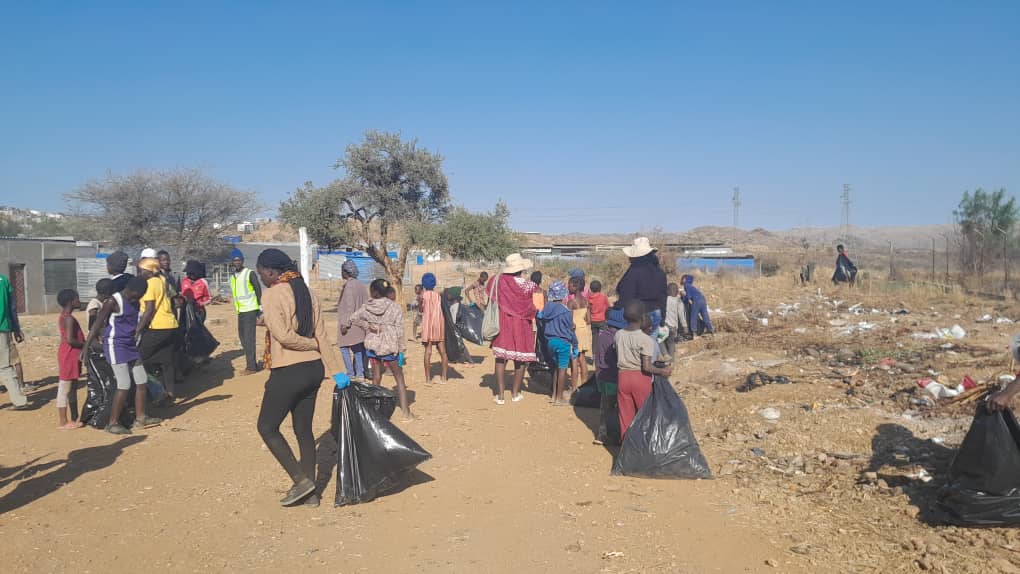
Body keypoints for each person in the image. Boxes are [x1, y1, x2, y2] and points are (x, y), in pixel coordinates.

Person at [255, 248, 338, 507]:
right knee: (303, 430)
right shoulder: (308, 293)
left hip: (289, 369)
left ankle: (301, 480)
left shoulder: (272, 294)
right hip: (314, 371)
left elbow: (284, 337)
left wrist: (310, 344)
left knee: (267, 427)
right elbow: (323, 336)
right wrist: (338, 372)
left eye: (261, 274)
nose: (261, 278)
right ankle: (311, 495)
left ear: (270, 272)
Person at [83, 277, 162, 434]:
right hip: (115, 345)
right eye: (139, 295)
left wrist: (137, 331)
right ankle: (112, 423)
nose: (139, 298)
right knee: (124, 384)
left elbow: (144, 315)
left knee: (141, 380)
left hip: (130, 345)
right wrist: (86, 348)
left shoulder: (134, 300)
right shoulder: (113, 301)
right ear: (133, 291)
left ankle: (141, 417)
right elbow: (97, 324)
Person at [348, 279, 411, 419]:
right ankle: (406, 412)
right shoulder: (395, 307)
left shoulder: (366, 307)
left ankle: (374, 412)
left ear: (373, 292)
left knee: (376, 377)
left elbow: (353, 318)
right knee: (399, 377)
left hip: (372, 347)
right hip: (389, 347)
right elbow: (400, 330)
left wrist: (368, 326)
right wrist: (401, 348)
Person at [615, 301, 672, 439]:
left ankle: (626, 453)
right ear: (642, 318)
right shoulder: (645, 339)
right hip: (640, 378)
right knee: (645, 416)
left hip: (623, 377)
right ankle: (645, 451)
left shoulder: (618, 334)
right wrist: (662, 371)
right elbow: (646, 366)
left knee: (625, 418)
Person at [487, 253, 538, 404]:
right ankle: (515, 393)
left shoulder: (498, 281)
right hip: (522, 326)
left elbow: (490, 293)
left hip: (503, 323)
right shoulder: (530, 286)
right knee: (520, 360)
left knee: (501, 358)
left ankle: (501, 395)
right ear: (521, 269)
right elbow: (536, 306)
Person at [136, 257, 181, 401]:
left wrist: (137, 330)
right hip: (170, 324)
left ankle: (157, 392)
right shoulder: (163, 279)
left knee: (138, 359)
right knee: (167, 362)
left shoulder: (150, 283)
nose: (139, 273)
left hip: (157, 326)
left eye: (141, 270)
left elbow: (149, 309)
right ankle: (171, 393)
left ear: (149, 271)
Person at [615, 237, 667, 331]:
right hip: (656, 314)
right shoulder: (660, 272)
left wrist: (615, 309)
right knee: (651, 344)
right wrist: (662, 319)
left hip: (638, 317)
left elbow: (625, 296)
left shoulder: (633, 272)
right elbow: (663, 298)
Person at [538, 281, 576, 406]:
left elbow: (540, 317)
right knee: (562, 369)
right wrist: (575, 344)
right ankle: (559, 398)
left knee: (555, 368)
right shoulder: (565, 311)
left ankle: (554, 395)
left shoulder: (547, 308)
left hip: (550, 342)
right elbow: (570, 329)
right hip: (563, 342)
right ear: (563, 295)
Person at [594, 307, 626, 445]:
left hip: (601, 375)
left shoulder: (602, 335)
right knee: (617, 407)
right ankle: (615, 435)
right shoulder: (617, 337)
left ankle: (601, 434)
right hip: (613, 376)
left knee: (604, 405)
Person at [230, 248, 263, 375]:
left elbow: (258, 290)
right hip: (240, 311)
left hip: (250, 310)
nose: (237, 262)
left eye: (239, 260)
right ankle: (252, 363)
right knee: (243, 338)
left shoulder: (249, 273)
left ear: (242, 261)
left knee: (249, 339)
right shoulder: (233, 277)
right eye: (235, 260)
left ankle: (251, 367)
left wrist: (260, 309)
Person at [56, 289, 85, 429]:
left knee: (72, 387)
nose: (79, 301)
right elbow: (70, 340)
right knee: (65, 388)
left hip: (72, 356)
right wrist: (86, 344)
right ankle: (63, 421)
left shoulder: (66, 317)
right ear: (71, 301)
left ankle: (74, 417)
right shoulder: (68, 319)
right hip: (69, 355)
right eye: (77, 298)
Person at [336, 259, 369, 382]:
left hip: (349, 323)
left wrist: (345, 324)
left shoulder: (349, 286)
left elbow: (349, 306)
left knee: (344, 347)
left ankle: (350, 373)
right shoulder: (361, 284)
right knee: (357, 348)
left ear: (346, 272)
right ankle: (360, 373)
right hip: (360, 322)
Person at [0, 273, 28, 410]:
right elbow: (12, 307)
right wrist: (16, 328)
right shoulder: (4, 280)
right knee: (4, 366)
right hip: (3, 329)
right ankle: (19, 400)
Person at [420, 273, 448, 384]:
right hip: (439, 324)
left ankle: (428, 380)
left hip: (428, 324)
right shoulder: (438, 295)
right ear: (434, 283)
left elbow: (422, 310)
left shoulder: (423, 296)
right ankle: (444, 378)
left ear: (423, 284)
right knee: (443, 352)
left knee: (428, 352)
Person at [566, 275, 591, 385]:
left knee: (574, 360)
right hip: (584, 330)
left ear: (575, 287)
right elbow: (589, 320)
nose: (568, 287)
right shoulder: (586, 301)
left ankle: (574, 388)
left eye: (570, 285)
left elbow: (570, 323)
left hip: (575, 332)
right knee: (583, 359)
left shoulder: (571, 303)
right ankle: (584, 386)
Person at [663, 283, 687, 355]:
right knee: (671, 344)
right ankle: (671, 361)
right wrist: (685, 326)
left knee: (663, 342)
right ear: (677, 292)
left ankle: (664, 356)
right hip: (673, 327)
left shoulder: (663, 299)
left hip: (663, 325)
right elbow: (681, 315)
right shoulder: (678, 301)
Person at [588, 280, 609, 344]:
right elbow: (608, 307)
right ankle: (603, 350)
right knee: (603, 336)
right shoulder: (603, 297)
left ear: (591, 289)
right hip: (602, 320)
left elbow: (588, 308)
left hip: (593, 320)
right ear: (600, 288)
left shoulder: (589, 298)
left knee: (594, 337)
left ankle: (594, 352)